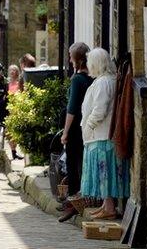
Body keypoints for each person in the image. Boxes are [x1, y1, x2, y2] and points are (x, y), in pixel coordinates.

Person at [79, 48, 129, 220]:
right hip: (101, 135)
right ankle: (106, 205)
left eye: (89, 62)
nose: (87, 65)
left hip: (100, 135)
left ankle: (109, 207)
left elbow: (100, 110)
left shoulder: (103, 83)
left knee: (104, 174)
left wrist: (89, 126)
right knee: (104, 174)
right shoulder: (106, 80)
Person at [58, 42, 93, 222]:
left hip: (74, 128)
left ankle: (72, 203)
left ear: (76, 59)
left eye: (71, 56)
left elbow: (71, 109)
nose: (69, 59)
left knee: (72, 166)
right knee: (83, 164)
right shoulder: (91, 78)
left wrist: (65, 132)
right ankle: (82, 200)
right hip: (87, 127)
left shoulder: (77, 80)